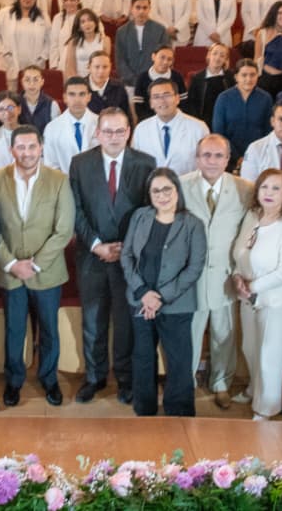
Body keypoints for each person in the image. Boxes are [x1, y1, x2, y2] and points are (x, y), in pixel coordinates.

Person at [70, 108, 155, 405]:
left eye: (120, 131)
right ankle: (94, 378)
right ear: (97, 132)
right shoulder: (80, 164)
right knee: (93, 321)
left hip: (128, 260)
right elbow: (75, 210)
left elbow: (148, 212)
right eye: (108, 131)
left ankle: (124, 379)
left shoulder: (146, 164)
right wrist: (96, 245)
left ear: (129, 132)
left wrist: (125, 247)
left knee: (124, 323)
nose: (114, 137)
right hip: (92, 256)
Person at [0, 125, 74, 407]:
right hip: (10, 272)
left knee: (49, 329)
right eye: (20, 147)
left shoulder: (59, 180)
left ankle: (49, 378)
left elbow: (64, 230)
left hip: (46, 271)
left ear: (41, 148)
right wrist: (12, 263)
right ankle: (14, 381)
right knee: (14, 330)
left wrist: (34, 265)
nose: (26, 152)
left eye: (31, 147)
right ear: (12, 150)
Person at [121, 167, 205, 417]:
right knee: (143, 358)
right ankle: (144, 409)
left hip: (176, 305)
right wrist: (143, 292)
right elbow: (126, 256)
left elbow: (194, 267)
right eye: (155, 190)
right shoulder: (140, 216)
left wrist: (160, 298)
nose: (162, 195)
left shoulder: (193, 224)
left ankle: (178, 413)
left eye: (167, 189)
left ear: (177, 190)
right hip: (140, 300)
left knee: (179, 362)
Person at [180, 136, 254, 408]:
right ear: (197, 158)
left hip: (226, 274)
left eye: (218, 156)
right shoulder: (181, 185)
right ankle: (184, 382)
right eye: (206, 155)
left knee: (225, 332)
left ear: (228, 159)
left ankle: (221, 382)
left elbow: (249, 233)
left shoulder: (245, 189)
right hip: (192, 275)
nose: (212, 161)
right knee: (191, 331)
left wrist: (240, 271)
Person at [229, 167, 282, 421]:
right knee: (250, 347)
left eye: (276, 188)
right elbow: (239, 252)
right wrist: (238, 277)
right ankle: (254, 388)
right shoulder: (253, 216)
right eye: (264, 187)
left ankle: (266, 408)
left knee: (269, 354)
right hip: (247, 293)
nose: (269, 193)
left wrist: (253, 287)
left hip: (277, 298)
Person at [132, 79, 209, 176]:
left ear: (177, 98)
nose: (162, 101)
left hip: (187, 189)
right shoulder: (141, 130)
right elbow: (135, 167)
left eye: (167, 95)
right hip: (151, 189)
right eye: (156, 97)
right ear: (151, 103)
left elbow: (208, 165)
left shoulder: (199, 128)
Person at [211, 60, 273, 171]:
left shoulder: (266, 98)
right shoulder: (224, 98)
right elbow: (218, 132)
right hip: (228, 159)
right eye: (244, 75)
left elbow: (268, 130)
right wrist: (237, 157)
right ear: (236, 77)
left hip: (259, 158)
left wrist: (255, 154)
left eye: (252, 75)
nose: (248, 79)